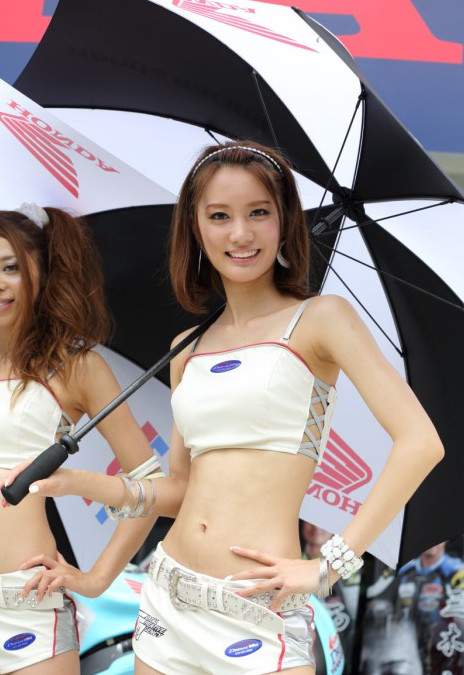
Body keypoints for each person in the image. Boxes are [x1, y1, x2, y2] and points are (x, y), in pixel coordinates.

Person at [4, 142, 444, 675]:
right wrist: (81, 484)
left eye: (259, 212)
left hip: (259, 607)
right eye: (219, 216)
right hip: (168, 599)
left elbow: (421, 443)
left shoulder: (321, 319)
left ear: (285, 223)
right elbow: (179, 490)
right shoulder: (186, 347)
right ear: (195, 229)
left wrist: (330, 567)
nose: (240, 234)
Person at [0, 204, 157, 674]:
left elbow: (151, 485)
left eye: (10, 268)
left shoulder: (74, 367)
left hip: (26, 602)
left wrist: (95, 578)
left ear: (40, 272)